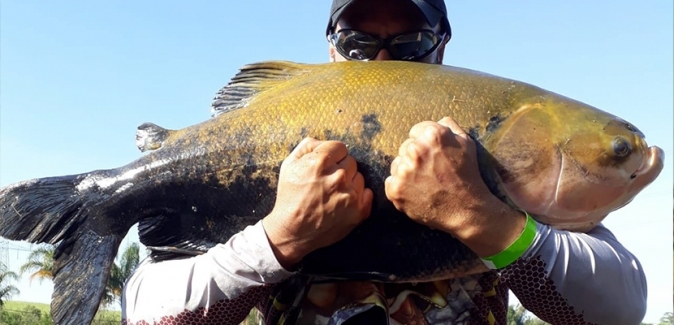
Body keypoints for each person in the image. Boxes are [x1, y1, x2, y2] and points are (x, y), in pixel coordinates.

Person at [121, 1, 648, 324]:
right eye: (357, 43)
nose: (382, 60)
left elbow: (619, 311)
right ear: (331, 49)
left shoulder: (508, 177)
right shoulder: (281, 134)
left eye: (411, 42)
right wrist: (277, 240)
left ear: (441, 48)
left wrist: (482, 219)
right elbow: (145, 313)